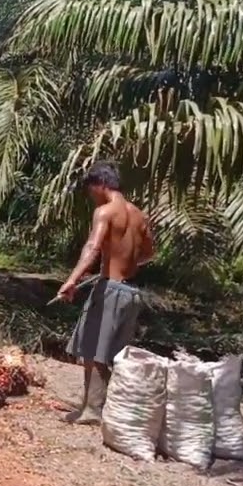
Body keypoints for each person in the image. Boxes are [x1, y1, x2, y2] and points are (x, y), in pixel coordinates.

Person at [55, 161, 154, 425]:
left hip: (110, 289)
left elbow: (92, 247)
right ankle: (100, 406)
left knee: (94, 349)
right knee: (112, 352)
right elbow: (148, 253)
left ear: (100, 185)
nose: (91, 196)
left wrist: (72, 280)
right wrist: (126, 261)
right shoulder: (139, 215)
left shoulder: (106, 212)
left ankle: (93, 411)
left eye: (91, 190)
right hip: (130, 292)